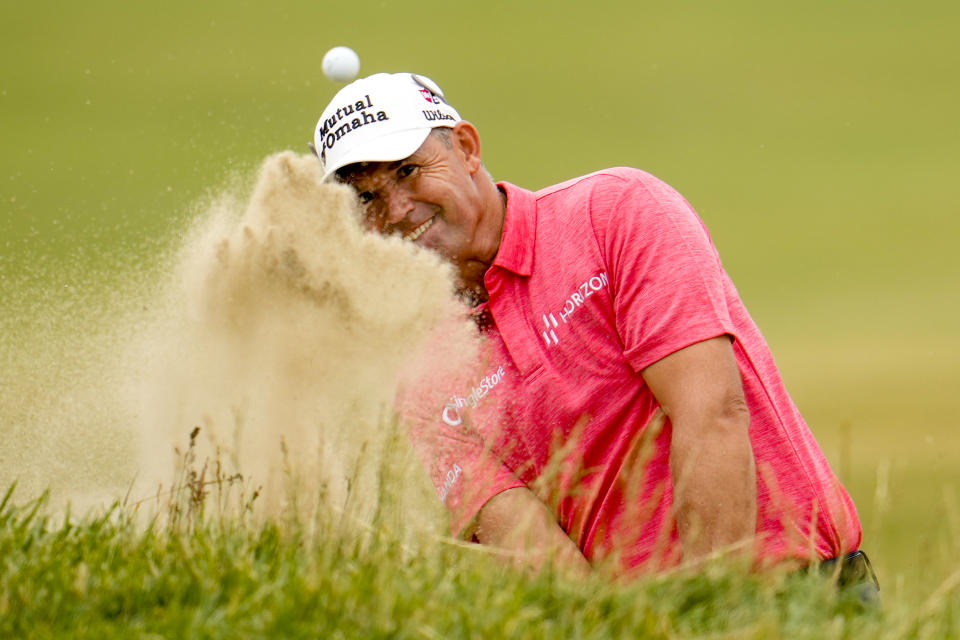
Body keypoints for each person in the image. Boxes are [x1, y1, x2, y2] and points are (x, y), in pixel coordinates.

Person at [312, 72, 870, 583]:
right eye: (367, 197)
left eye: (408, 171)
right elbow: (534, 550)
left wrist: (715, 610)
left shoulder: (616, 213)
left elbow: (712, 413)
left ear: (466, 148)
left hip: (798, 590)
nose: (397, 210)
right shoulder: (422, 368)